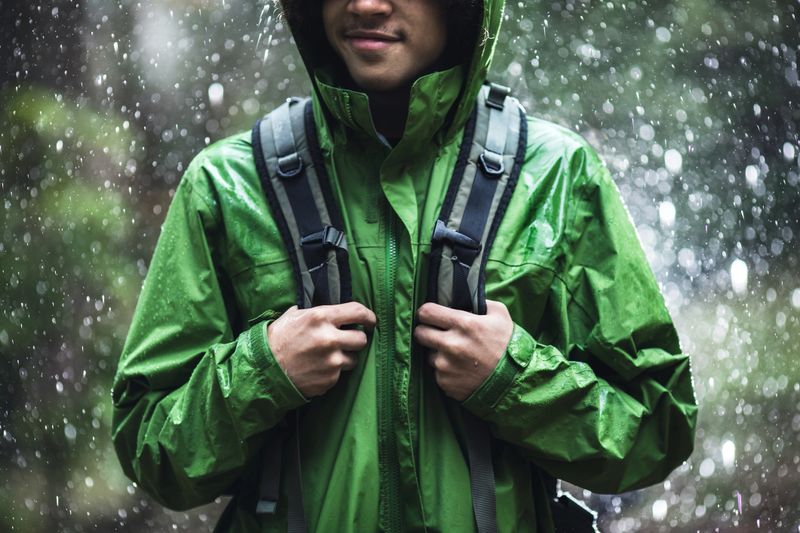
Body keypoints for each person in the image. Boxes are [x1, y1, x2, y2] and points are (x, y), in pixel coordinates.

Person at [111, 0, 698, 531]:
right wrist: (263, 372)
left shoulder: (555, 174)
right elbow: (150, 448)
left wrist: (513, 380)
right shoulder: (227, 186)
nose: (366, 4)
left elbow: (657, 426)